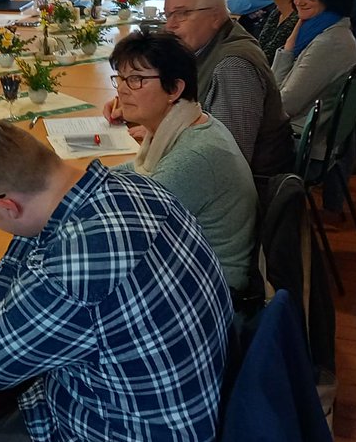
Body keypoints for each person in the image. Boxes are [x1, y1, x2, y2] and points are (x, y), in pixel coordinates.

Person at [0, 118, 231, 442]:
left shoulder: (74, 267)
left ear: (7, 207)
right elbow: (38, 242)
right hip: (189, 410)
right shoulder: (136, 186)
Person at [105, 0, 292, 181]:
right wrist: (141, 106)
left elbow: (224, 156)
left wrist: (159, 130)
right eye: (168, 16)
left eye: (181, 14)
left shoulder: (233, 66)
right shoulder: (206, 46)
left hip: (247, 188)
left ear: (215, 16)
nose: (170, 26)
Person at [109, 31, 257, 293]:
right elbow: (137, 174)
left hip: (211, 291)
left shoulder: (194, 156)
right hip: (189, 265)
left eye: (136, 79)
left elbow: (130, 229)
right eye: (120, 78)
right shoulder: (185, 125)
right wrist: (84, 178)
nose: (121, 89)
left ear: (175, 89)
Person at [271, 0, 356, 221]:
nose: (299, 1)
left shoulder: (329, 42)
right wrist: (290, 44)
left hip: (302, 144)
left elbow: (284, 105)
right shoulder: (327, 28)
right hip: (310, 136)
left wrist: (287, 52)